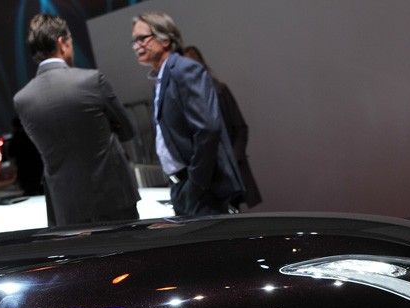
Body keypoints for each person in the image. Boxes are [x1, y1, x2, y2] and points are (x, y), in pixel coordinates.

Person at [14, 13, 140, 226]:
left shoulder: (22, 99)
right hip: (113, 199)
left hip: (65, 208)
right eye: (71, 42)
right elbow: (127, 130)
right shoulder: (91, 80)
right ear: (61, 43)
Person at [131, 12, 243, 216]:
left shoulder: (185, 69)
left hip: (203, 190)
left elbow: (207, 129)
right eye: (134, 41)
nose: (136, 46)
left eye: (142, 38)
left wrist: (196, 183)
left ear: (165, 40)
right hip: (183, 187)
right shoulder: (160, 79)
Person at [183, 46, 262, 209]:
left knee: (232, 215)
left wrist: (233, 158)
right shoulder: (182, 99)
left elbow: (240, 128)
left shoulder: (220, 91)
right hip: (203, 176)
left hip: (227, 171)